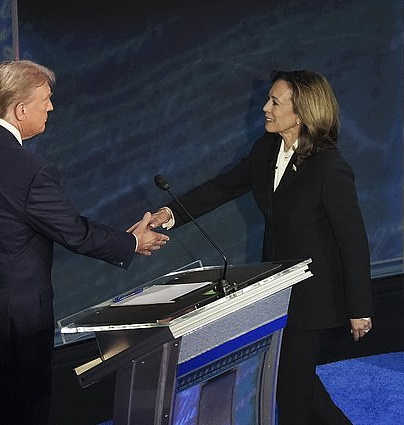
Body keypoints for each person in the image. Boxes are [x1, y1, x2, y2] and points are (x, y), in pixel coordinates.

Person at [0, 60, 169, 425]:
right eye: (46, 99)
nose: (51, 107)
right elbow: (74, 232)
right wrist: (130, 243)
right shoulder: (29, 171)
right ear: (20, 110)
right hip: (12, 329)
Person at [146, 70, 373, 424]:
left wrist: (359, 306)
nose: (265, 108)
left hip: (314, 296)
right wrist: (171, 213)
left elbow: (353, 240)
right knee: (296, 382)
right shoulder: (266, 149)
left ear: (300, 114)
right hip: (277, 290)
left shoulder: (329, 166)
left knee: (291, 393)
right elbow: (221, 188)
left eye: (274, 102)